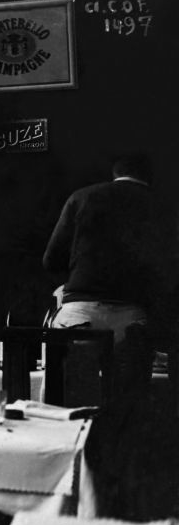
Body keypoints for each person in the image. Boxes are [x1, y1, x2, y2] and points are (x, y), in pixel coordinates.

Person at [42, 153, 175, 393]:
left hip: (79, 314)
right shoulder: (162, 206)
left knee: (64, 398)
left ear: (115, 174)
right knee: (127, 407)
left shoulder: (82, 197)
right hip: (131, 318)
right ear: (149, 178)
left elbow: (51, 261)